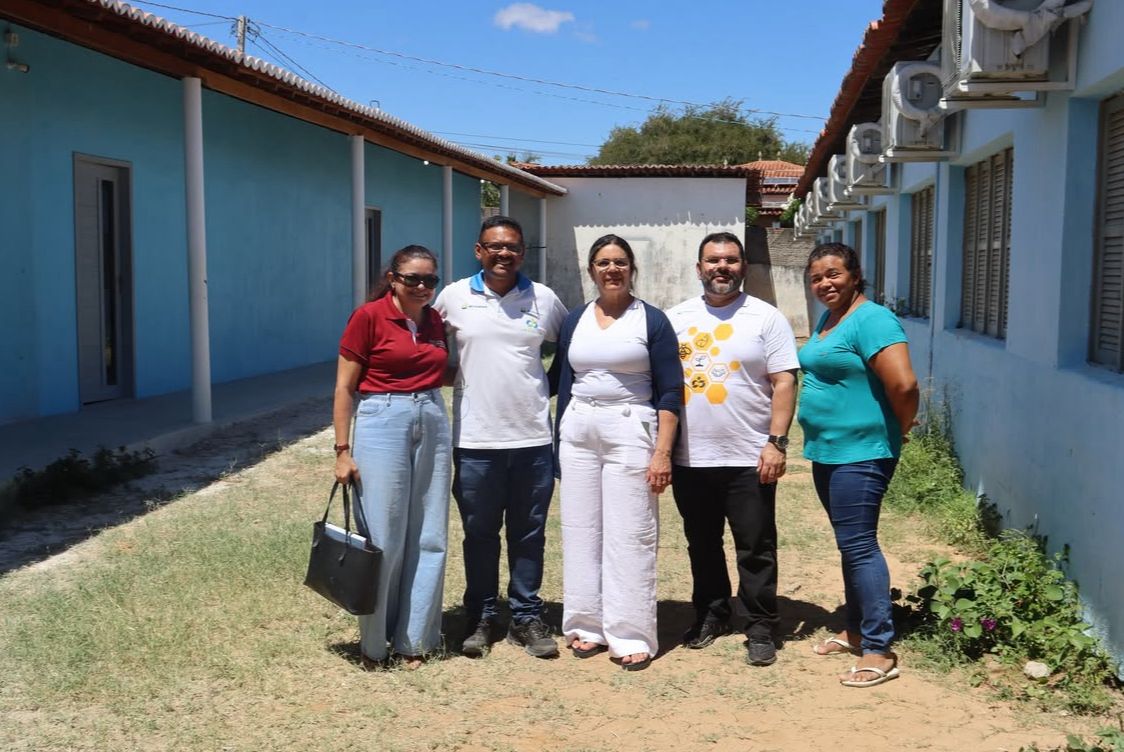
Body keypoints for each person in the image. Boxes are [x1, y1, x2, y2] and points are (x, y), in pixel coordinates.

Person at [433, 216, 568, 659]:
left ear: (522, 253)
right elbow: (427, 342)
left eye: (512, 247)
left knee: (529, 533)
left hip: (531, 439)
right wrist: (449, 374)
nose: (503, 253)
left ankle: (526, 615)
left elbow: (569, 347)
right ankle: (482, 615)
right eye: (494, 246)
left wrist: (546, 385)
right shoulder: (454, 296)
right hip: (475, 441)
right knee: (480, 533)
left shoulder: (543, 298)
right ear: (479, 251)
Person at [665, 231, 799, 667]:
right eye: (713, 260)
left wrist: (776, 443)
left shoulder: (766, 317)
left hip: (749, 456)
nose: (721, 267)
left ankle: (760, 625)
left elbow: (784, 381)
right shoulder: (675, 318)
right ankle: (712, 614)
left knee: (755, 545)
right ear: (699, 268)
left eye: (731, 260)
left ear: (742, 266)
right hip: (691, 456)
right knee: (701, 543)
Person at [549, 235, 681, 671]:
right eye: (603, 263)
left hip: (630, 427)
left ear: (631, 268)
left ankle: (630, 633)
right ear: (592, 270)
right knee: (581, 528)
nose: (612, 270)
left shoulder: (652, 321)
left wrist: (662, 452)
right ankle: (586, 625)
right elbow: (558, 377)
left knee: (630, 532)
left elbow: (671, 391)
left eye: (620, 262)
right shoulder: (575, 319)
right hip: (579, 428)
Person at [798, 242, 918, 688]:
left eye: (833, 274)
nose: (825, 283)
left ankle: (878, 649)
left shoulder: (873, 320)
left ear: (854, 275)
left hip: (862, 451)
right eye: (816, 278)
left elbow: (904, 385)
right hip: (829, 450)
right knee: (849, 543)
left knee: (860, 544)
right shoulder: (832, 318)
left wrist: (898, 429)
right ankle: (856, 630)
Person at [333, 245, 451, 669]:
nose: (422, 286)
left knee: (430, 533)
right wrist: (342, 450)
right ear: (392, 278)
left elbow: (442, 370)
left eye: (429, 280)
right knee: (383, 534)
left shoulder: (435, 320)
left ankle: (413, 640)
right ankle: (374, 644)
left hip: (432, 415)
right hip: (382, 417)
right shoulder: (368, 317)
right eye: (412, 279)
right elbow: (344, 387)